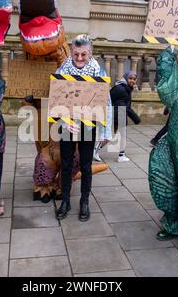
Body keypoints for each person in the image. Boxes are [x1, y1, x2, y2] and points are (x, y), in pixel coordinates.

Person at [55, 34, 112, 222]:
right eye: (76, 54)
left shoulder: (99, 72)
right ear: (71, 52)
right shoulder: (63, 69)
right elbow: (56, 99)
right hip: (68, 123)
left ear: (91, 53)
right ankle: (65, 201)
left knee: (86, 165)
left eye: (83, 55)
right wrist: (63, 121)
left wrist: (106, 131)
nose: (79, 58)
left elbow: (107, 103)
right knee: (66, 164)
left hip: (89, 123)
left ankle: (84, 201)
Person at [94, 71, 141, 162]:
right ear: (125, 78)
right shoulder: (121, 89)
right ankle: (121, 156)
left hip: (117, 113)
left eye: (134, 79)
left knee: (110, 136)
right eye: (130, 78)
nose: (132, 81)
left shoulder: (126, 88)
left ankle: (95, 151)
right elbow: (110, 99)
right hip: (118, 114)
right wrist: (136, 118)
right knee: (121, 135)